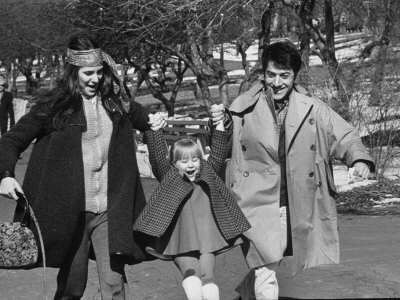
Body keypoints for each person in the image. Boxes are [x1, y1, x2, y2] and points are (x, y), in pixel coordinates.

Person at [0, 34, 160, 299]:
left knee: (114, 284)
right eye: (88, 73)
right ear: (74, 72)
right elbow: (11, 141)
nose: (95, 79)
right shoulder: (54, 106)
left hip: (110, 212)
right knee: (73, 288)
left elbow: (144, 119)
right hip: (70, 214)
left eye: (99, 72)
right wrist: (5, 175)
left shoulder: (116, 102)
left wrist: (155, 121)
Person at [225, 40, 375, 299]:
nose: (277, 82)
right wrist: (217, 123)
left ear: (294, 76)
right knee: (267, 265)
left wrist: (358, 159)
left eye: (285, 75)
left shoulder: (312, 106)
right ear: (263, 74)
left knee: (268, 261)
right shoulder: (242, 106)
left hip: (291, 201)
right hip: (253, 199)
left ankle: (246, 295)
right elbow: (221, 143)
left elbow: (344, 135)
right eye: (271, 75)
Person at [134, 106, 251, 300]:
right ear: (174, 163)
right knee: (191, 274)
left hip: (207, 237)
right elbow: (156, 159)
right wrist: (155, 131)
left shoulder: (207, 171)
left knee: (208, 277)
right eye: (184, 161)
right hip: (180, 237)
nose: (190, 165)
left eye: (195, 159)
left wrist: (219, 124)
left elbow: (218, 153)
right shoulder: (169, 175)